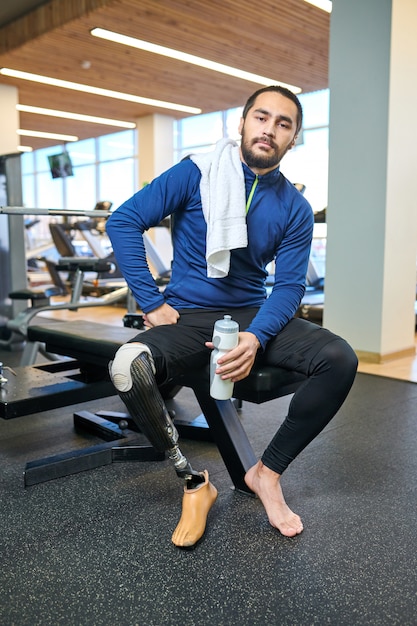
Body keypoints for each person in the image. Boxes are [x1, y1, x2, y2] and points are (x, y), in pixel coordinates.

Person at [106, 85, 358, 548]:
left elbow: (287, 287)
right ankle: (193, 483)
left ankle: (267, 473)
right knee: (127, 367)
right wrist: (151, 302)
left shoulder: (295, 208)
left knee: (340, 359)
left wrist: (257, 335)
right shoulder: (194, 174)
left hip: (250, 312)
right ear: (241, 123)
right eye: (261, 117)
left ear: (294, 138)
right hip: (188, 314)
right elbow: (123, 221)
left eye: (284, 124)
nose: (270, 129)